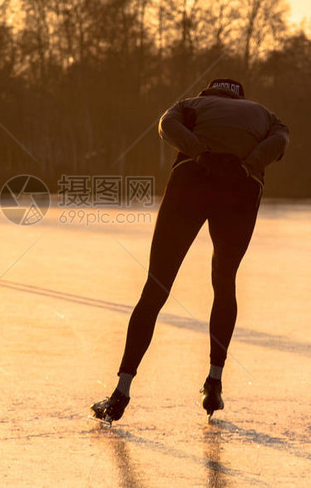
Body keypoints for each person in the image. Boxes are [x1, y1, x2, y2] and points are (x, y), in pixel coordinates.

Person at [91, 78, 289, 423]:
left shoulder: (192, 105)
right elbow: (281, 140)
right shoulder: (265, 114)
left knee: (156, 286)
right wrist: (250, 162)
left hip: (192, 180)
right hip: (241, 188)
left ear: (209, 92)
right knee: (224, 280)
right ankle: (214, 381)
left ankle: (121, 391)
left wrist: (200, 153)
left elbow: (166, 126)